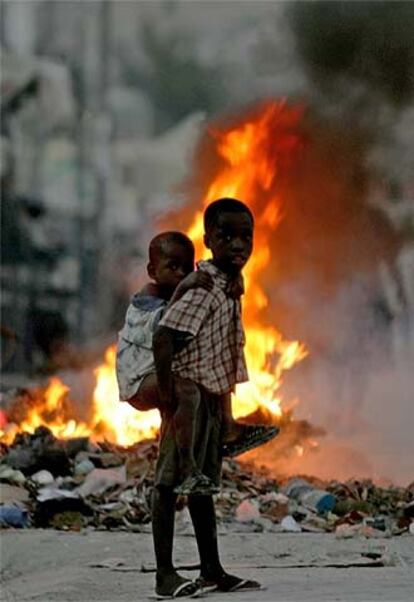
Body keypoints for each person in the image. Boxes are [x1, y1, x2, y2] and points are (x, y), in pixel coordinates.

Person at [150, 198, 275, 598]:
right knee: (168, 485)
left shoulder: (229, 284)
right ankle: (164, 575)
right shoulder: (203, 288)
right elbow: (164, 338)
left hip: (208, 401)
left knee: (201, 485)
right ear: (208, 240)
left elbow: (226, 351)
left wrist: (225, 413)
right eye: (226, 236)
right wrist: (169, 399)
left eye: (246, 237)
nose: (238, 245)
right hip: (186, 401)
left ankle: (211, 570)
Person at [116, 231, 218, 496]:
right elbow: (163, 329)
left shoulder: (174, 296)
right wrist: (187, 287)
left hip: (158, 376)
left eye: (186, 269)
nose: (180, 274)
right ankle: (187, 467)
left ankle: (184, 463)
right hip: (138, 382)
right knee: (186, 391)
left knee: (192, 395)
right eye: (172, 267)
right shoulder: (147, 298)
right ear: (152, 270)